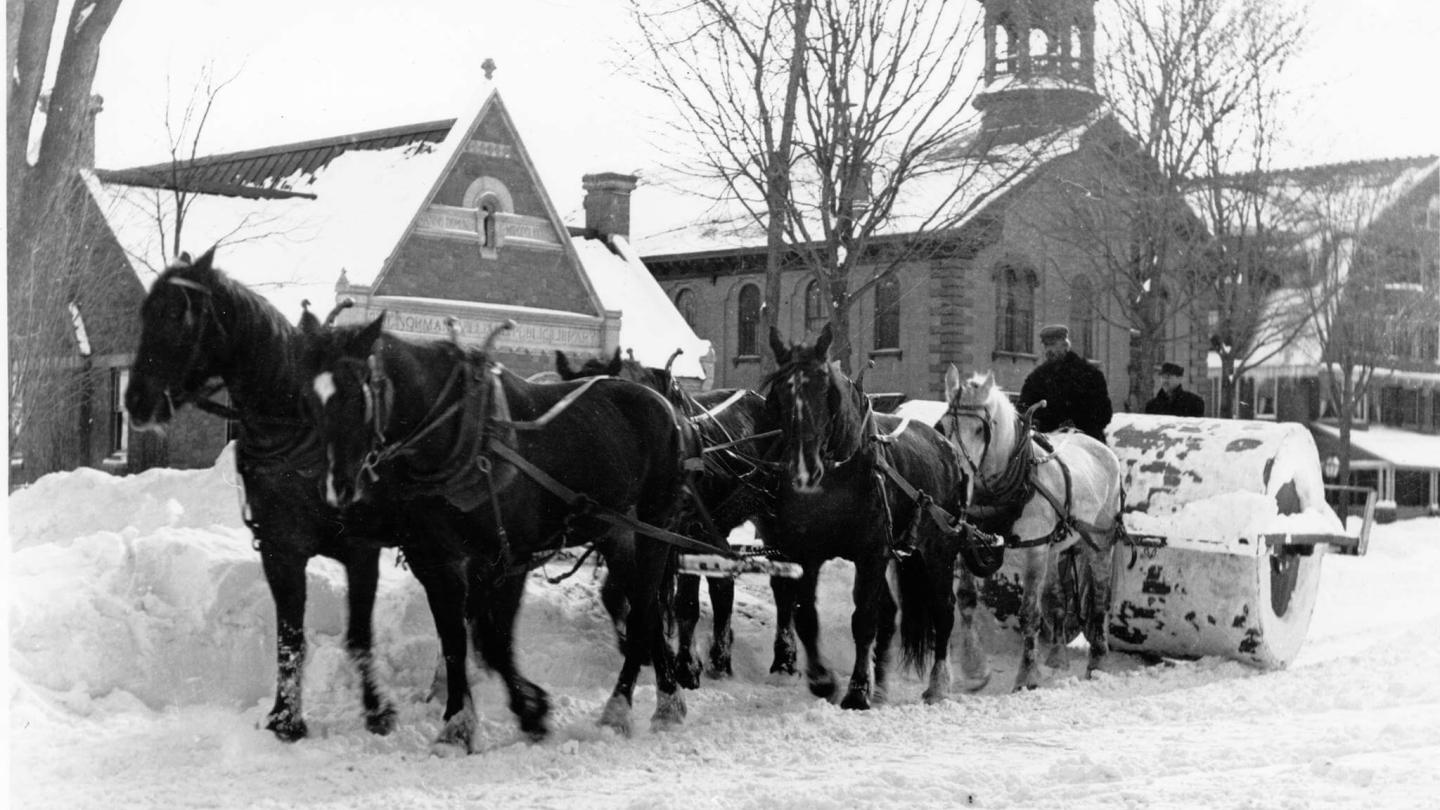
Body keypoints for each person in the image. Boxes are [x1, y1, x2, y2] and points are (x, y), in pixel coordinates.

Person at [1017, 324, 1113, 443]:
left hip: (1086, 443)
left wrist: (1077, 426)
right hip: (1049, 444)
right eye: (1046, 345)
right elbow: (1024, 408)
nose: (1048, 350)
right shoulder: (1037, 378)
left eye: (1052, 344)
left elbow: (1104, 413)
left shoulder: (1090, 374)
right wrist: (1036, 421)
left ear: (1065, 345)